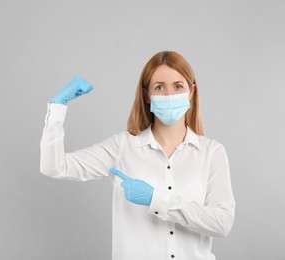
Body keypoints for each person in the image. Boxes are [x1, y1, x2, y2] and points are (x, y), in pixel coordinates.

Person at [40, 51, 235, 260]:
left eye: (178, 86)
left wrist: (156, 199)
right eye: (159, 87)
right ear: (147, 95)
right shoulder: (122, 147)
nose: (169, 95)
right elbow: (54, 167)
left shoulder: (212, 152)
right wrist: (57, 109)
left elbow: (222, 223)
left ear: (191, 92)